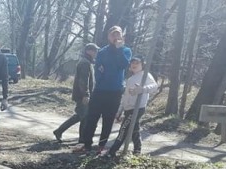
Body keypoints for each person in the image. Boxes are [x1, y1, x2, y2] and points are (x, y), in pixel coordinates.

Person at [73, 26, 132, 154]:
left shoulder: (125, 51)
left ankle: (102, 145)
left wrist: (119, 49)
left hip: (115, 91)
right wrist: (102, 76)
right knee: (92, 118)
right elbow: (98, 69)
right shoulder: (102, 51)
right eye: (113, 34)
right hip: (100, 90)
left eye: (118, 34)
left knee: (108, 119)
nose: (115, 37)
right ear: (108, 36)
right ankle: (87, 144)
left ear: (121, 36)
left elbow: (123, 65)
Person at [103, 55, 157, 158]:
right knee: (133, 129)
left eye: (137, 63)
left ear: (142, 65)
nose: (134, 65)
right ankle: (137, 150)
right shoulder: (130, 79)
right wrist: (119, 111)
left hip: (138, 108)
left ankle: (112, 151)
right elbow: (125, 97)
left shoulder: (145, 75)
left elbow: (154, 86)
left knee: (123, 129)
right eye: (132, 63)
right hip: (128, 108)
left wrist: (143, 89)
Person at [53, 43, 98, 143]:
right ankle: (63, 132)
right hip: (82, 95)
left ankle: (74, 136)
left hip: (84, 95)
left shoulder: (87, 62)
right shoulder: (85, 63)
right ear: (88, 51)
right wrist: (86, 94)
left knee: (82, 117)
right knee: (82, 116)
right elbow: (83, 81)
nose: (96, 53)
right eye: (94, 51)